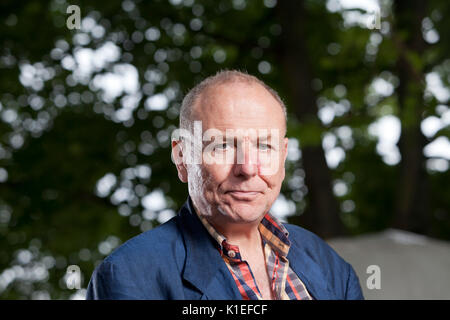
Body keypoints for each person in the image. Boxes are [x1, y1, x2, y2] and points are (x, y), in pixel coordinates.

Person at [86, 70, 364, 300]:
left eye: (264, 146)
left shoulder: (331, 267)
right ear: (182, 158)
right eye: (222, 146)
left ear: (283, 154)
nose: (247, 168)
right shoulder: (129, 275)